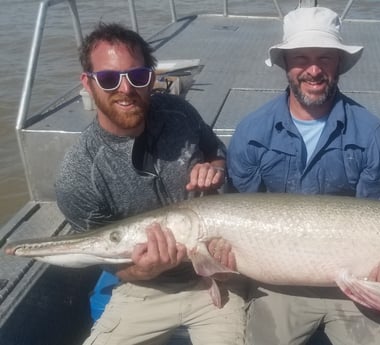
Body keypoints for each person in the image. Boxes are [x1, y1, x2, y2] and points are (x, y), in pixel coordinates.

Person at [55, 22, 244, 345]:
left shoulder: (179, 112)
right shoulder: (78, 177)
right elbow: (110, 260)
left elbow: (215, 148)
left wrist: (215, 167)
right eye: (109, 79)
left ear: (151, 79)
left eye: (137, 76)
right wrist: (143, 270)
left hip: (218, 279)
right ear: (88, 83)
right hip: (144, 290)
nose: (126, 89)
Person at [227, 6, 380, 345]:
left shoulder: (371, 135)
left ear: (339, 64)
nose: (313, 70)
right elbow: (240, 213)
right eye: (301, 58)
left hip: (357, 278)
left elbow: (378, 223)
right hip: (279, 284)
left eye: (325, 58)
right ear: (285, 64)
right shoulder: (251, 132)